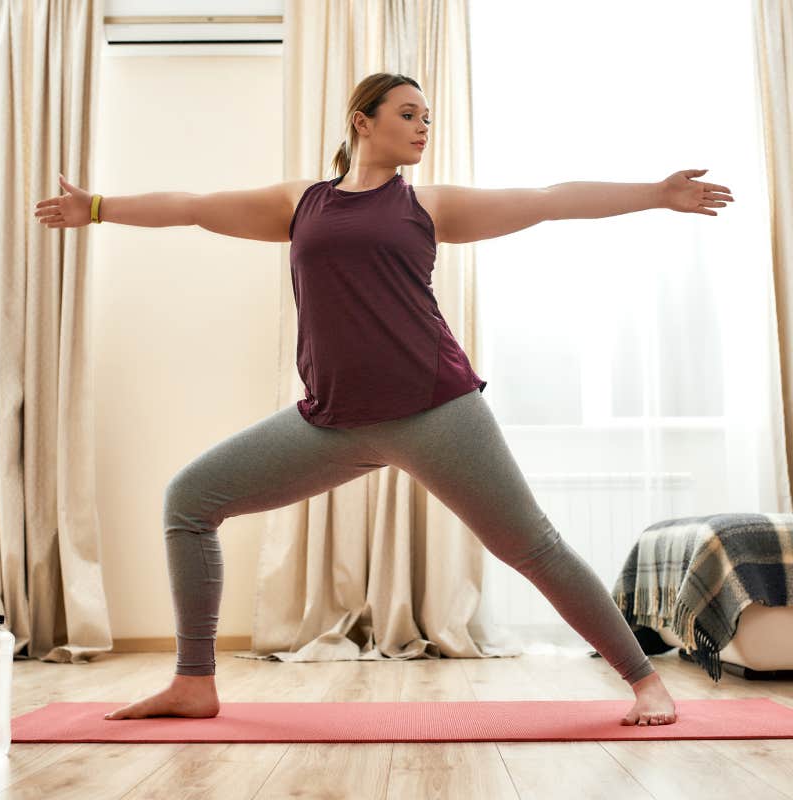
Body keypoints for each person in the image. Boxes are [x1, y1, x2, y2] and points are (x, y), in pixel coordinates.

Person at [36, 71, 734, 727]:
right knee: (189, 501)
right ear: (361, 122)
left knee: (533, 547)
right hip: (331, 422)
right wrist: (95, 208)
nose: (422, 126)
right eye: (408, 114)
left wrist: (654, 193)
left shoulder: (426, 205)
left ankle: (646, 680)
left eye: (428, 118)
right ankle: (193, 683)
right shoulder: (300, 202)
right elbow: (193, 210)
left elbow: (550, 200)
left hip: (435, 412)